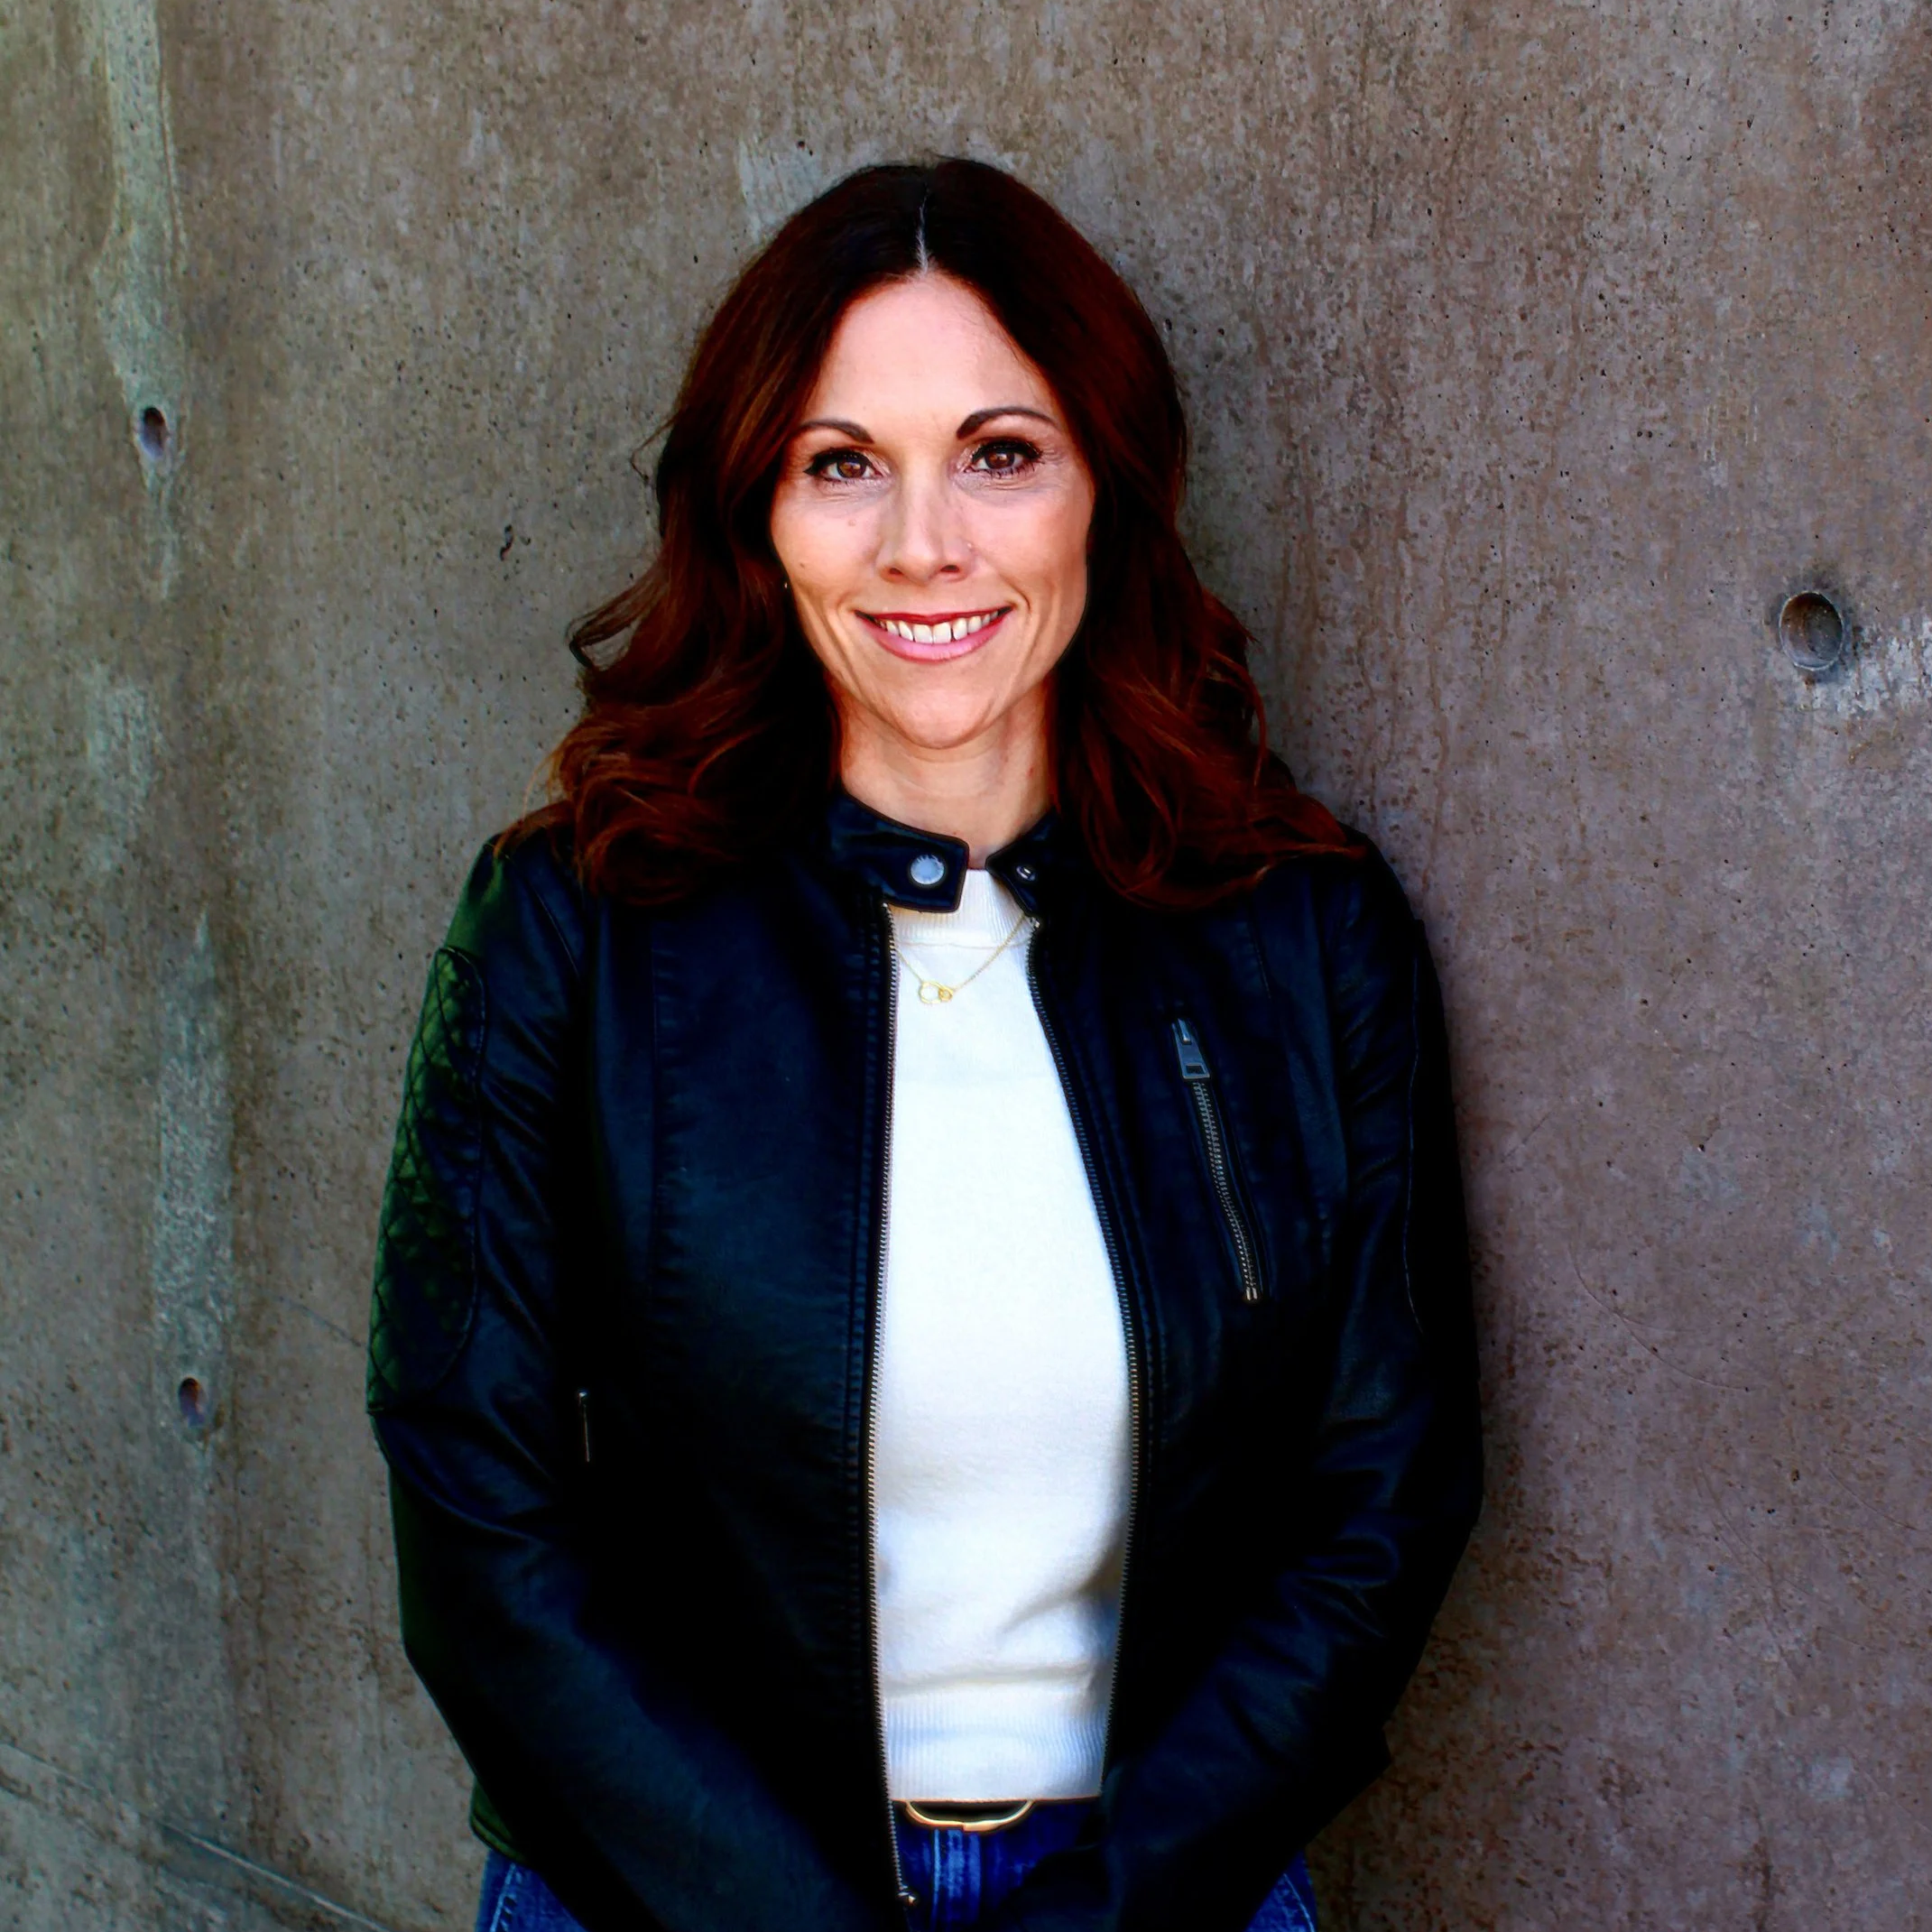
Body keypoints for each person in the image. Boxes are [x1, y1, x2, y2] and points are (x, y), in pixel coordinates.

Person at [366, 157, 1482, 1932]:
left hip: (1160, 1895)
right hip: (664, 1896)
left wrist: (1106, 1906)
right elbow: (472, 1501)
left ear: (1101, 480)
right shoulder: (570, 928)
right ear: (754, 513)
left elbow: (1381, 1492)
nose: (921, 546)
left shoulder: (1298, 932)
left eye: (997, 451)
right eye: (838, 466)